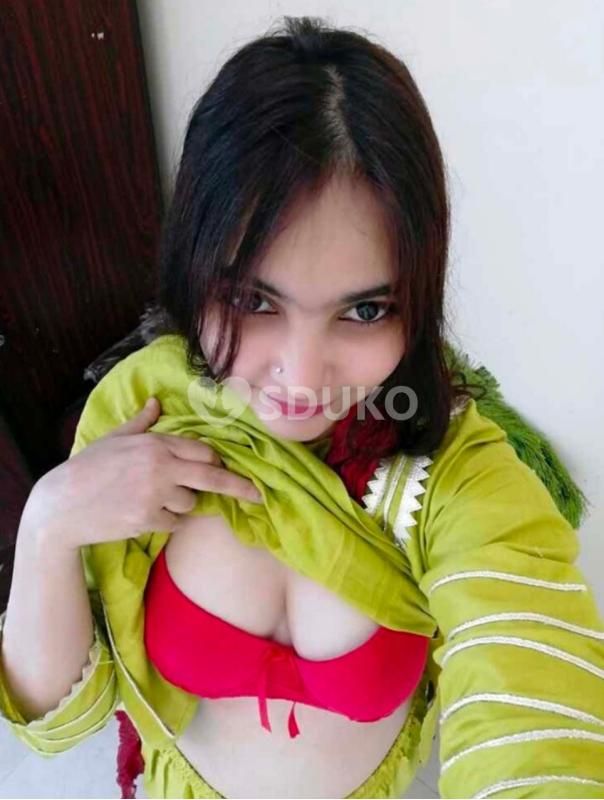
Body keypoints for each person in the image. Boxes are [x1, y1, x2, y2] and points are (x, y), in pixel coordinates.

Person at [2, 15, 604, 800]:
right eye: (254, 300)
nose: (302, 374)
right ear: (194, 268)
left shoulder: (449, 465)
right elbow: (56, 722)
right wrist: (50, 522)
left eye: (363, 311)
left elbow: (534, 689)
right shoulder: (144, 408)